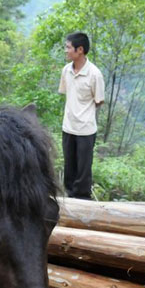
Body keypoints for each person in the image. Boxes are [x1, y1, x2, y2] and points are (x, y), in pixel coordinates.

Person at [58, 32, 105, 199]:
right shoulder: (66, 71)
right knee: (69, 169)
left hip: (86, 129)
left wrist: (84, 112)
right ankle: (70, 200)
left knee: (83, 172)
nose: (66, 50)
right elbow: (67, 92)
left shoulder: (94, 74)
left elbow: (99, 100)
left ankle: (83, 202)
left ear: (80, 50)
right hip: (68, 127)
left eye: (68, 47)